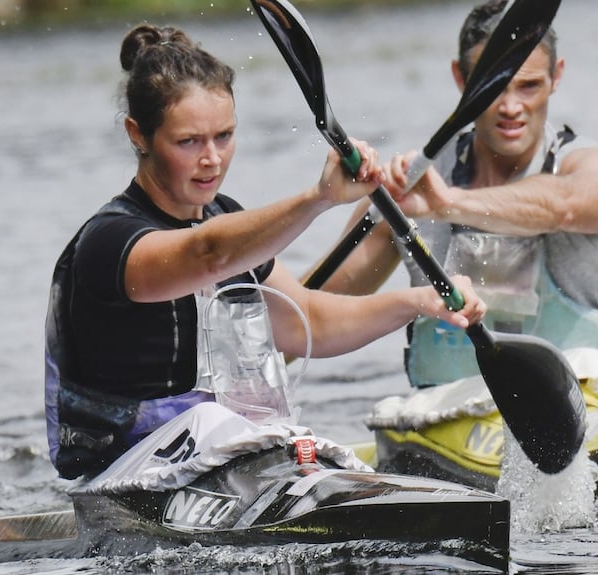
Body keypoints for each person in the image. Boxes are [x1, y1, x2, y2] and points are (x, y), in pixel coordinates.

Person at [43, 24, 486, 480]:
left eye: (225, 135)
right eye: (188, 141)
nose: (212, 158)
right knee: (227, 425)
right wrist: (319, 198)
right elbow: (208, 254)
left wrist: (420, 303)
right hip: (123, 467)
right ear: (139, 134)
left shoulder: (227, 218)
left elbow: (307, 322)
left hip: (216, 451)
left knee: (279, 434)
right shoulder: (109, 241)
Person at [312, 0, 598, 388]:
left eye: (529, 86)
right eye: (494, 86)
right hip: (440, 420)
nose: (510, 107)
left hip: (586, 410)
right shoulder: (408, 189)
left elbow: (567, 205)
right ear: (461, 78)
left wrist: (448, 204)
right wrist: (319, 199)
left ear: (557, 76)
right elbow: (309, 320)